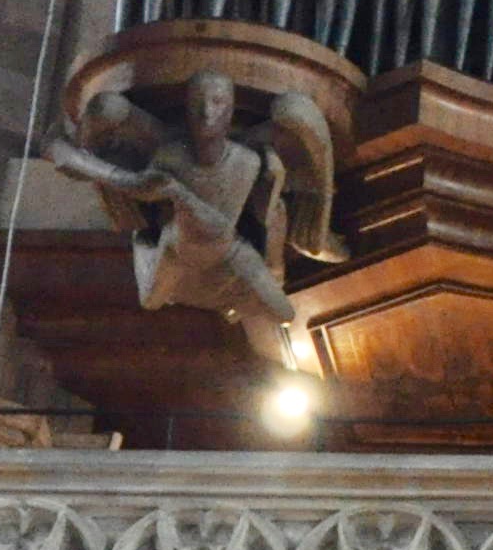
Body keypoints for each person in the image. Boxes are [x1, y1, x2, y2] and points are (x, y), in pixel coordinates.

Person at [48, 70, 312, 365]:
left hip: (230, 248)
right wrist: (97, 169)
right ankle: (145, 245)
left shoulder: (247, 161)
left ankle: (238, 296)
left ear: (230, 112)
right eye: (197, 104)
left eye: (218, 103)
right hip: (178, 245)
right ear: (187, 110)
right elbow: (141, 188)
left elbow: (220, 225)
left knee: (284, 312)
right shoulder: (170, 157)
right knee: (150, 301)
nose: (206, 114)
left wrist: (178, 192)